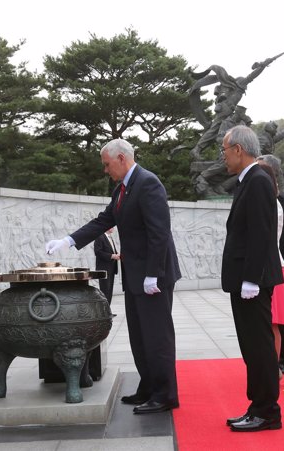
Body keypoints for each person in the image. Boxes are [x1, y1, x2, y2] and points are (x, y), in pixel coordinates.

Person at [46, 138, 181, 415]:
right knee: (140, 336)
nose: (106, 171)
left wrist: (153, 274)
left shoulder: (148, 183)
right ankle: (148, 387)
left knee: (157, 337)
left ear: (121, 158)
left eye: (107, 165)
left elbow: (159, 232)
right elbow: (104, 220)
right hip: (135, 276)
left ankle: (165, 394)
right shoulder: (122, 189)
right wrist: (68, 241)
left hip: (153, 277)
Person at [221, 125, 283, 432]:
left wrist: (251, 279)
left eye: (224, 150)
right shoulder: (248, 180)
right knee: (251, 346)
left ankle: (267, 411)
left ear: (238, 150)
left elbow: (261, 233)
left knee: (259, 347)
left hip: (252, 282)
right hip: (246, 280)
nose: (223, 158)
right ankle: (257, 405)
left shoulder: (257, 180)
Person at [257, 154, 284, 375]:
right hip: (277, 260)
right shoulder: (274, 197)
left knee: (281, 317)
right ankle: (281, 359)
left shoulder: (277, 199)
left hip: (278, 260)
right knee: (279, 316)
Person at [94, 228, 120, 304]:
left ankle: (108, 311)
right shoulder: (100, 237)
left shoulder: (110, 237)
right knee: (105, 291)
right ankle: (104, 312)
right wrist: (111, 256)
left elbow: (112, 251)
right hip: (104, 269)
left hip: (112, 269)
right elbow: (98, 252)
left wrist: (117, 255)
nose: (113, 228)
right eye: (112, 226)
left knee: (109, 291)